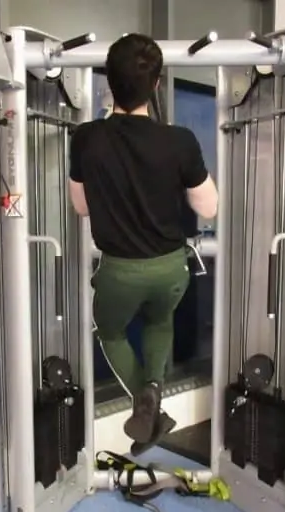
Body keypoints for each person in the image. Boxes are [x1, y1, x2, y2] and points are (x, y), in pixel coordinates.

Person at [67, 34, 219, 454]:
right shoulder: (181, 141)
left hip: (119, 271)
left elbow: (81, 208)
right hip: (170, 269)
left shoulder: (86, 138)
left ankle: (143, 399)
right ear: (155, 86)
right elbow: (208, 208)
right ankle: (152, 392)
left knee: (111, 331)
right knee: (159, 322)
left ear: (109, 84)